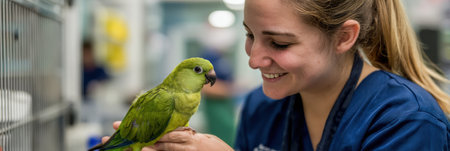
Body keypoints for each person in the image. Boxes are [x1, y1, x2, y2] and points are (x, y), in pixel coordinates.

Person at [102, 0, 450, 150]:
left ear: (344, 37)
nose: (254, 60)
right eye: (249, 35)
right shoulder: (261, 107)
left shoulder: (407, 123)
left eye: (279, 43)